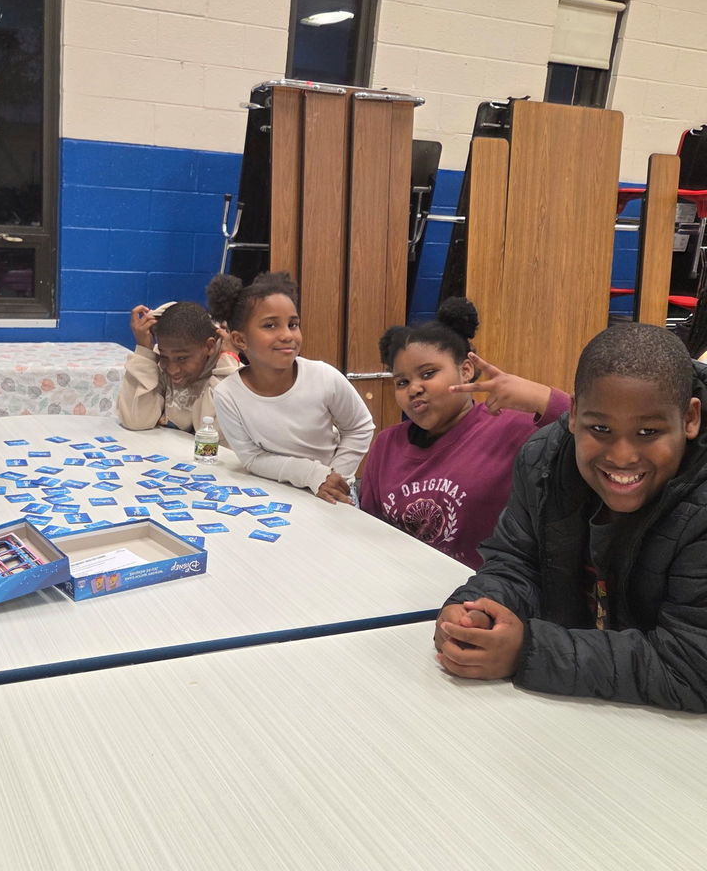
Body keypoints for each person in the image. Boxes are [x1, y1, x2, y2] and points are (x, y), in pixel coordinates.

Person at [435, 322, 707, 712]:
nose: (622, 456)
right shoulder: (542, 460)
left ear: (690, 419)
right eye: (600, 428)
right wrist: (475, 611)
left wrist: (528, 651)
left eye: (648, 431)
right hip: (577, 714)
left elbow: (692, 667)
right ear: (575, 413)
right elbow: (516, 563)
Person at [359, 298, 570, 567]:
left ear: (466, 370)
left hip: (484, 596)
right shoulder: (387, 444)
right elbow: (371, 530)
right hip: (403, 590)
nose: (414, 388)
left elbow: (593, 432)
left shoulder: (512, 429)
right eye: (402, 382)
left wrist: (542, 397)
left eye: (428, 373)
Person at [207, 272, 374, 504]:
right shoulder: (227, 394)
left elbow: (360, 426)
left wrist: (335, 477)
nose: (287, 335)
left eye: (293, 324)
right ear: (240, 340)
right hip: (272, 490)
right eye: (270, 325)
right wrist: (312, 474)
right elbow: (252, 458)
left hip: (330, 495)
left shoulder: (323, 376)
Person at [115, 300, 240, 435]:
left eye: (182, 358)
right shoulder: (158, 363)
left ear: (209, 346)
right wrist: (145, 352)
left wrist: (227, 363)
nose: (172, 369)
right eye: (164, 356)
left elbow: (213, 435)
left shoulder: (232, 373)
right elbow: (136, 420)